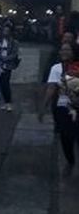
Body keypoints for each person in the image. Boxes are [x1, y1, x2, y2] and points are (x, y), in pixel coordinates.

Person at [40, 42, 79, 176]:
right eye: (62, 50)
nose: (64, 52)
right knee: (65, 137)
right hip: (62, 108)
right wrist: (44, 106)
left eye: (67, 50)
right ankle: (70, 160)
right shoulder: (56, 68)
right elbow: (51, 88)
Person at [0, 26, 20, 112]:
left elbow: (14, 54)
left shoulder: (14, 43)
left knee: (5, 84)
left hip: (8, 65)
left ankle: (9, 103)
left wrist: (4, 58)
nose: (5, 32)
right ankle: (5, 102)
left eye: (7, 31)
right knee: (0, 84)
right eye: (4, 30)